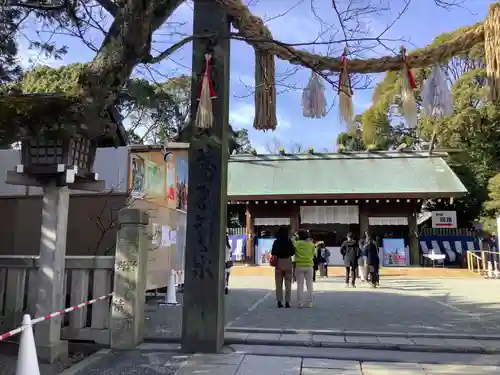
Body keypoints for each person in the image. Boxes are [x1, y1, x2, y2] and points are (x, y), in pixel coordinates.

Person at [271, 227, 295, 308]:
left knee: (278, 283)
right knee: (288, 283)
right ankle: (287, 302)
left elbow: (273, 252)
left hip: (279, 262)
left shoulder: (276, 242)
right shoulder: (289, 241)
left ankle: (279, 301)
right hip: (288, 261)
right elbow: (293, 252)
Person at [294, 229, 316, 308]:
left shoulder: (296, 243)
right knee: (309, 285)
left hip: (299, 265)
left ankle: (300, 303)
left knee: (300, 285)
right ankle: (310, 302)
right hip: (309, 265)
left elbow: (293, 252)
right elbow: (314, 254)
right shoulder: (311, 244)